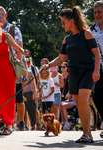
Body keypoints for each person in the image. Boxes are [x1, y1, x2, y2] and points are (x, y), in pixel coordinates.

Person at [42, 6, 100, 143]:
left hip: (87, 71)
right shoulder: (66, 40)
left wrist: (97, 70)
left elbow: (96, 53)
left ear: (72, 21)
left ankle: (87, 134)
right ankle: (87, 133)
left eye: (64, 22)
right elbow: (61, 58)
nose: (62, 25)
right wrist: (48, 65)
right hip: (73, 73)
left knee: (83, 98)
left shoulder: (86, 34)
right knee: (79, 103)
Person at [0, 16, 29, 135]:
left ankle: (9, 125)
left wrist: (25, 53)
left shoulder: (6, 36)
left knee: (8, 96)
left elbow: (18, 49)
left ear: (0, 26)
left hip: (7, 69)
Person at [0, 6, 27, 131]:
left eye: (0, 16)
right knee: (3, 95)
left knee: (18, 97)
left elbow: (19, 49)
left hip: (12, 65)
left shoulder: (13, 29)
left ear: (5, 15)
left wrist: (18, 68)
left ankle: (21, 121)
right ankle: (4, 121)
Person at [91, 1, 103, 138]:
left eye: (99, 12)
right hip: (98, 69)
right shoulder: (91, 29)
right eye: (95, 12)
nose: (97, 15)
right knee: (97, 97)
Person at [23, 60, 38, 130]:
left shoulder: (29, 73)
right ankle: (24, 124)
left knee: (31, 109)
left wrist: (34, 94)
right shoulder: (19, 73)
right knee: (22, 110)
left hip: (29, 92)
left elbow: (33, 84)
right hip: (21, 93)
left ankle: (33, 124)